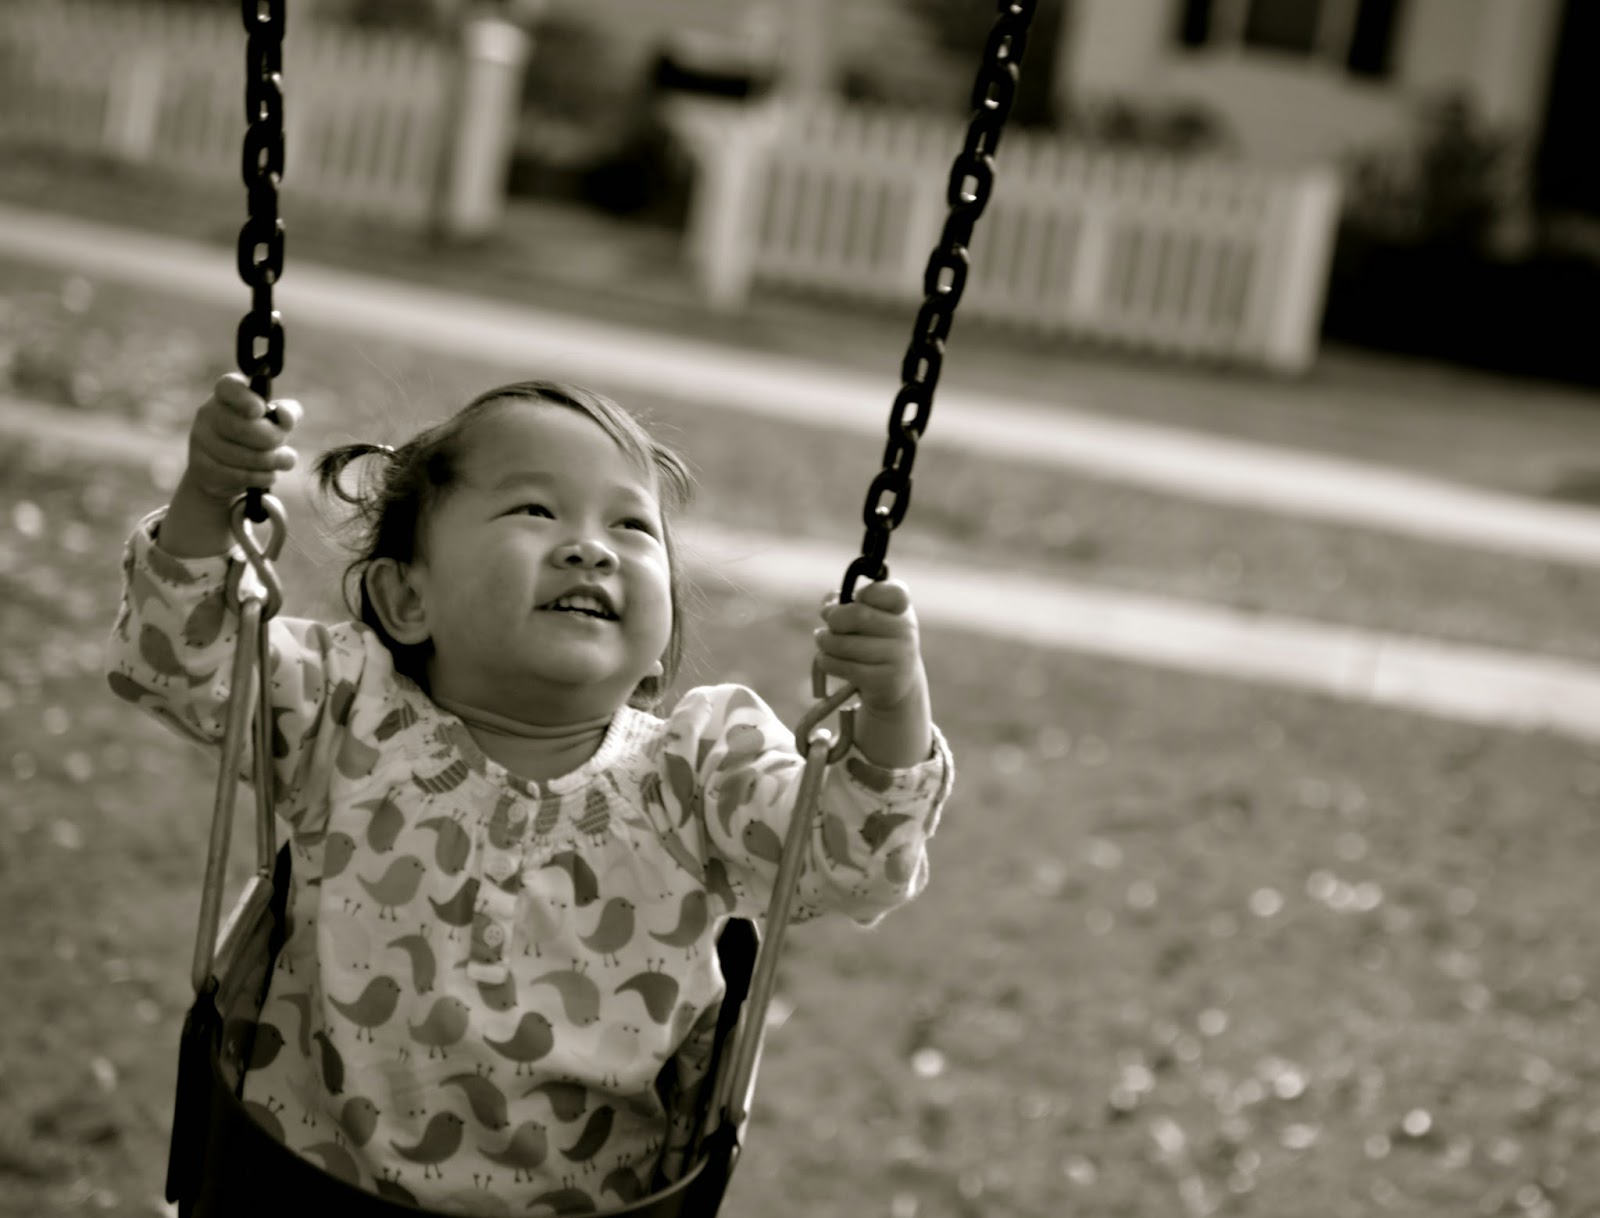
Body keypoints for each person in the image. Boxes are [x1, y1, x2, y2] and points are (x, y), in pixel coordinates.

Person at [108, 373, 953, 1216]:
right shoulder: (344, 710)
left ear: (661, 633)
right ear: (407, 598)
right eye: (535, 511)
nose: (591, 549)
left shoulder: (699, 772)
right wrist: (209, 498)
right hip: (298, 1189)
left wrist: (893, 706)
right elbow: (177, 662)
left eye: (630, 525)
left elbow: (858, 862)